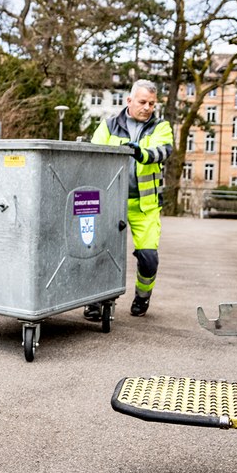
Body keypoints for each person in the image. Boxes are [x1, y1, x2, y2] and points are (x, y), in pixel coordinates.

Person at [86, 79, 173, 318]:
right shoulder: (109, 126)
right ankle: (94, 301)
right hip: (112, 203)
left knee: (148, 258)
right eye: (143, 102)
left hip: (145, 206)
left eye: (152, 104)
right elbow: (93, 155)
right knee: (98, 252)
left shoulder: (160, 127)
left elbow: (161, 152)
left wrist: (139, 152)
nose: (147, 107)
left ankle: (142, 297)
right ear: (129, 101)